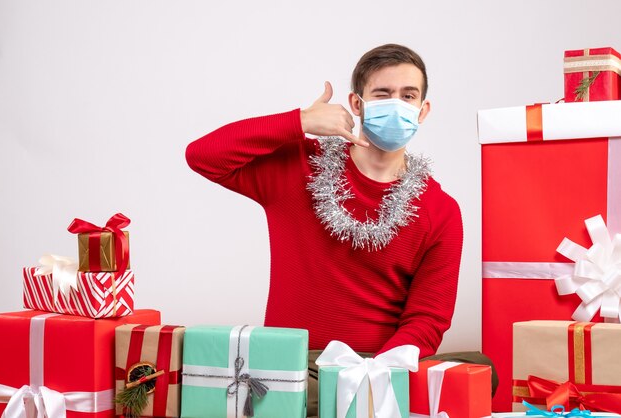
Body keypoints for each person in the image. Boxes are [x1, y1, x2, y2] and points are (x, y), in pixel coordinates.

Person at [186, 43, 496, 416]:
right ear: (357, 104)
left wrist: (375, 375)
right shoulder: (300, 167)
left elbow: (428, 318)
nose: (396, 104)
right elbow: (203, 156)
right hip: (297, 366)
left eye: (408, 96)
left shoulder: (440, 211)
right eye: (382, 94)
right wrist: (298, 121)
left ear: (423, 110)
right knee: (278, 393)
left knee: (481, 372)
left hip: (382, 363)